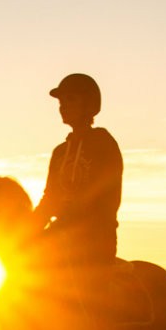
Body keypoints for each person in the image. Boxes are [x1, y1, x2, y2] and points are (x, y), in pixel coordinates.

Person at [33, 73, 124, 315]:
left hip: (95, 238)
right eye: (61, 102)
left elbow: (106, 195)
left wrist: (69, 224)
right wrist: (25, 228)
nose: (63, 107)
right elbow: (49, 198)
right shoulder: (60, 152)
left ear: (89, 105)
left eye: (70, 100)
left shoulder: (104, 144)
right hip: (60, 236)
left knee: (87, 302)